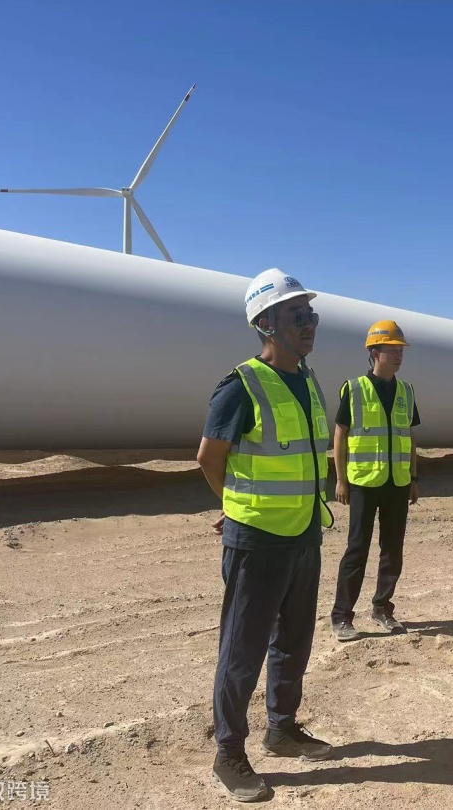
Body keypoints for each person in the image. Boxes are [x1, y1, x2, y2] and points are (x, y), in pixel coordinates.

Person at [196, 268, 336, 802]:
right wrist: (233, 506)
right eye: (297, 314)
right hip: (256, 539)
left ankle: (282, 728)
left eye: (311, 313)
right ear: (265, 324)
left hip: (303, 534)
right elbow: (209, 459)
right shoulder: (241, 386)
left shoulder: (310, 381)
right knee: (243, 649)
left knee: (294, 641)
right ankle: (229, 753)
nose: (309, 322)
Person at [330, 319, 420, 641]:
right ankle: (342, 616)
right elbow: (340, 434)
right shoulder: (354, 389)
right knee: (357, 549)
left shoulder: (406, 391)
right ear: (374, 352)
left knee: (392, 550)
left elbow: (410, 436)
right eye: (392, 349)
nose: (398, 355)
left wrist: (413, 477)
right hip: (364, 483)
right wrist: (341, 479)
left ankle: (382, 608)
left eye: (401, 350)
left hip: (397, 483)